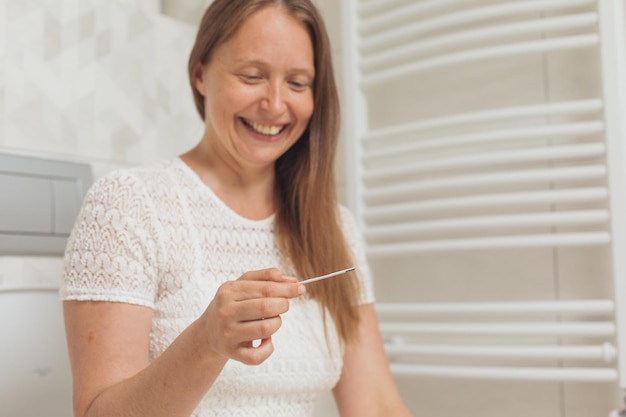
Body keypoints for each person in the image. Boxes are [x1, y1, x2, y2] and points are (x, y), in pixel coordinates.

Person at [60, 0, 412, 416]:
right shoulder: (127, 207)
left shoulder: (335, 226)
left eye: (298, 83)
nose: (276, 104)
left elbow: (376, 405)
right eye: (252, 76)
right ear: (200, 74)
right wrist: (205, 343)